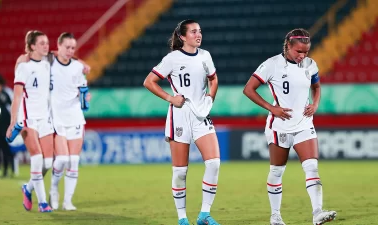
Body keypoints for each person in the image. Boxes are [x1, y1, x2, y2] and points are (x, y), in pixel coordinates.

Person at [243, 28, 337, 225]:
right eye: (298, 52)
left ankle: (317, 213)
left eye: (306, 52)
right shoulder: (271, 65)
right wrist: (271, 108)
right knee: (277, 171)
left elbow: (316, 86)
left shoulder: (310, 64)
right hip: (279, 127)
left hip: (304, 124)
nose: (302, 56)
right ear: (288, 46)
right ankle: (275, 216)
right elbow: (248, 89)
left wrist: (315, 104)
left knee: (312, 167)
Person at [143, 19, 221, 225]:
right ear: (183, 36)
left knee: (213, 163)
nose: (199, 34)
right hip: (180, 116)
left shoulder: (206, 56)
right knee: (180, 171)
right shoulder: (172, 59)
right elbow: (149, 81)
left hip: (200, 116)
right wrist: (170, 98)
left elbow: (213, 78)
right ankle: (182, 218)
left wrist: (210, 98)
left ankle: (204, 214)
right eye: (194, 31)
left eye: (200, 31)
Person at [7, 30, 54, 212]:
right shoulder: (23, 67)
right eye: (42, 43)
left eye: (47, 42)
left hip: (45, 118)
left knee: (48, 163)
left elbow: (62, 55)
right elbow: (17, 97)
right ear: (32, 46)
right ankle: (43, 203)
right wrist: (13, 122)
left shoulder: (47, 65)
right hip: (27, 118)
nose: (46, 46)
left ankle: (28, 188)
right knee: (37, 157)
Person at [47, 32, 90, 211]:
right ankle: (54, 188)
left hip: (75, 117)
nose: (70, 51)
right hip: (56, 117)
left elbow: (82, 90)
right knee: (62, 158)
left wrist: (86, 98)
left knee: (73, 160)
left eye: (73, 48)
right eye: (67, 47)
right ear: (59, 46)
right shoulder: (49, 63)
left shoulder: (78, 68)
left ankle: (68, 201)